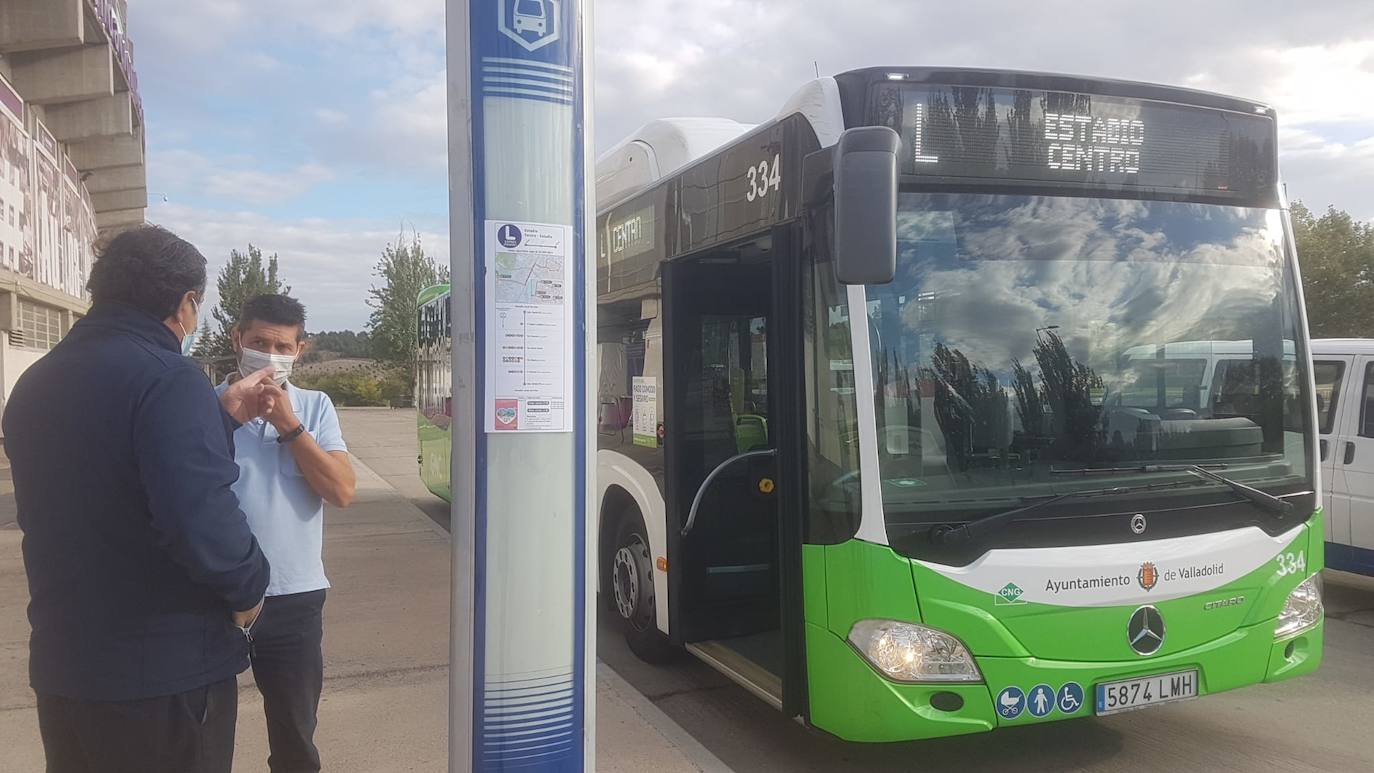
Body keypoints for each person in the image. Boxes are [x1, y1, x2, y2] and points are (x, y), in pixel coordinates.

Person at [2, 225, 277, 773]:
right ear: (186, 303)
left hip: (67, 666)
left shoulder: (37, 380)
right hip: (160, 675)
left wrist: (215, 420)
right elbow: (197, 518)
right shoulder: (170, 378)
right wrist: (251, 586)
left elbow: (106, 476)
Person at [217, 293, 356, 773]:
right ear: (237, 340)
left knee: (296, 736)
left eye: (282, 346)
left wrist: (288, 425)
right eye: (258, 342)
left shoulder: (315, 407)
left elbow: (340, 491)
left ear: (301, 350)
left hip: (293, 596)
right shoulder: (204, 407)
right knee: (204, 731)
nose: (269, 355)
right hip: (216, 597)